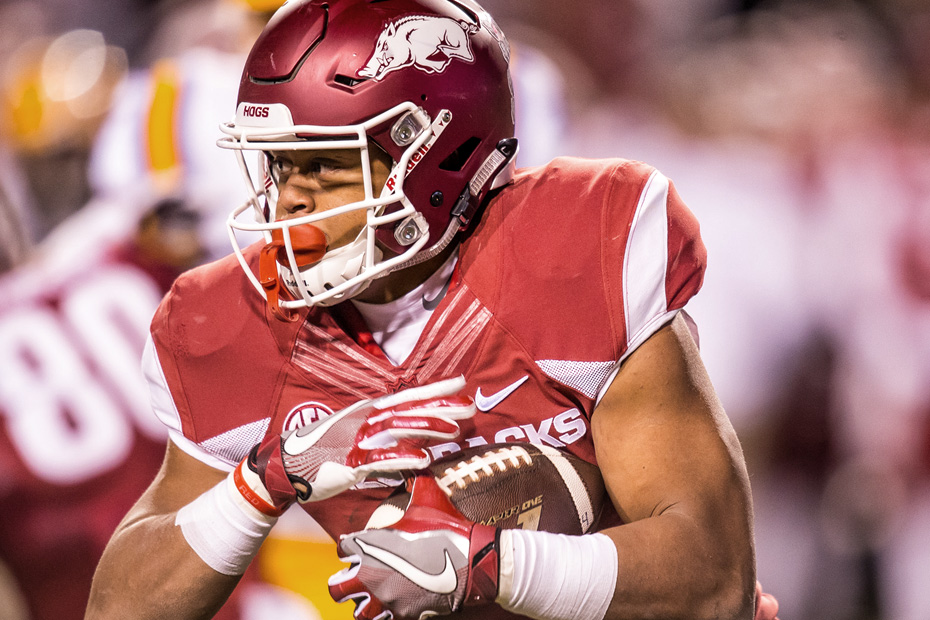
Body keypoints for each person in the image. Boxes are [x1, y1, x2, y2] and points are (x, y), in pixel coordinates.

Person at [86, 1, 779, 619]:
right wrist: (263, 480)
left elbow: (714, 583)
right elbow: (120, 609)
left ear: (436, 158)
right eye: (278, 166)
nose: (289, 201)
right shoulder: (233, 325)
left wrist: (490, 568)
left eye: (325, 165)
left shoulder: (581, 247)